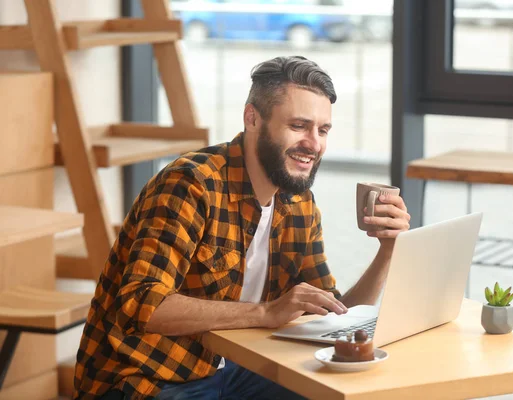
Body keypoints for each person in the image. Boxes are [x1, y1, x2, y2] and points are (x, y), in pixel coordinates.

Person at [73, 55, 410, 400]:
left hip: (236, 372)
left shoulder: (299, 204)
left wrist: (389, 251)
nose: (314, 143)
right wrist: (266, 312)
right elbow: (143, 304)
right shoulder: (191, 184)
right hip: (147, 379)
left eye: (322, 130)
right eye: (298, 126)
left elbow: (334, 317)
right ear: (252, 118)